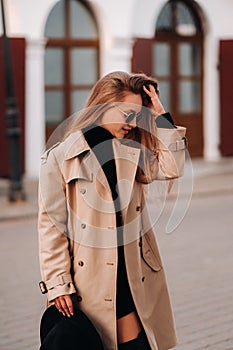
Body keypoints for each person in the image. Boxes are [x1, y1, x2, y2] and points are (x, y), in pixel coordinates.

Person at [38, 71, 186, 350]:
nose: (133, 123)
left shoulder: (133, 150)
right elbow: (51, 227)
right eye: (128, 113)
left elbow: (172, 167)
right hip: (89, 280)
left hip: (133, 274)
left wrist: (160, 117)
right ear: (104, 105)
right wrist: (58, 284)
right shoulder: (59, 157)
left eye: (138, 116)